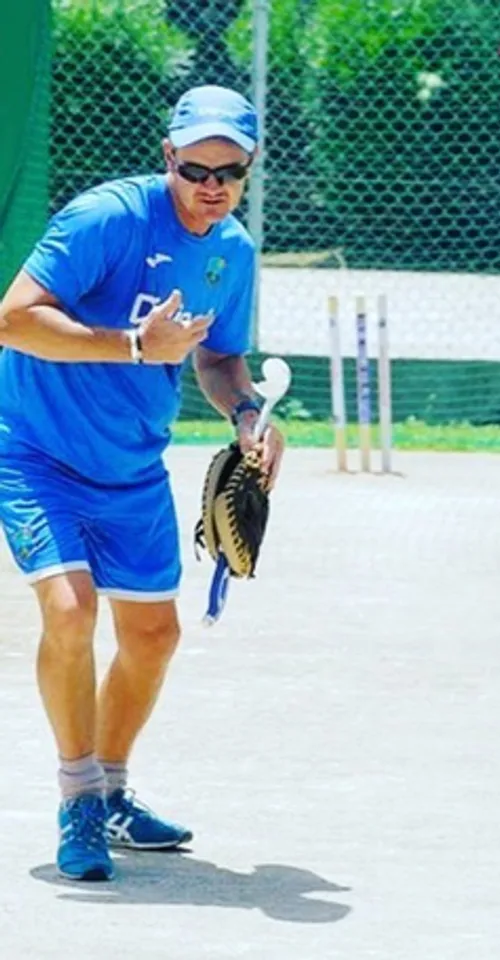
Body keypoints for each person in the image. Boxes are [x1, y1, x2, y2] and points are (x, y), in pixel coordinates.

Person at [0, 84, 285, 882]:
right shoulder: (107, 218)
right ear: (168, 157)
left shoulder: (233, 252)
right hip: (36, 452)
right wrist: (131, 345)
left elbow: (219, 359)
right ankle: (79, 799)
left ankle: (115, 789)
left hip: (131, 465)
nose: (211, 185)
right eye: (195, 168)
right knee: (70, 609)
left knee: (154, 636)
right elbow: (13, 318)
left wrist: (248, 415)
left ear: (250, 168)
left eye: (229, 171)